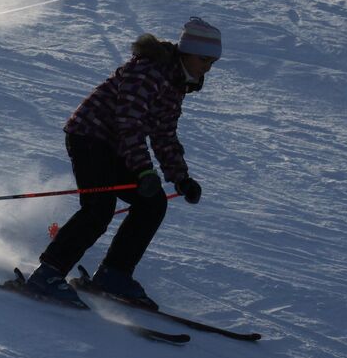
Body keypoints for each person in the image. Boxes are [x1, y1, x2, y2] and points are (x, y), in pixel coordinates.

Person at [24, 18, 222, 310]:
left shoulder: (175, 82)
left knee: (152, 203)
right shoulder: (148, 73)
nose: (207, 67)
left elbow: (164, 133)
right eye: (204, 59)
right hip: (90, 137)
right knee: (99, 208)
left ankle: (113, 274)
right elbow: (129, 123)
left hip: (116, 147)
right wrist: (143, 170)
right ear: (187, 53)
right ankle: (48, 273)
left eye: (212, 62)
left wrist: (181, 178)